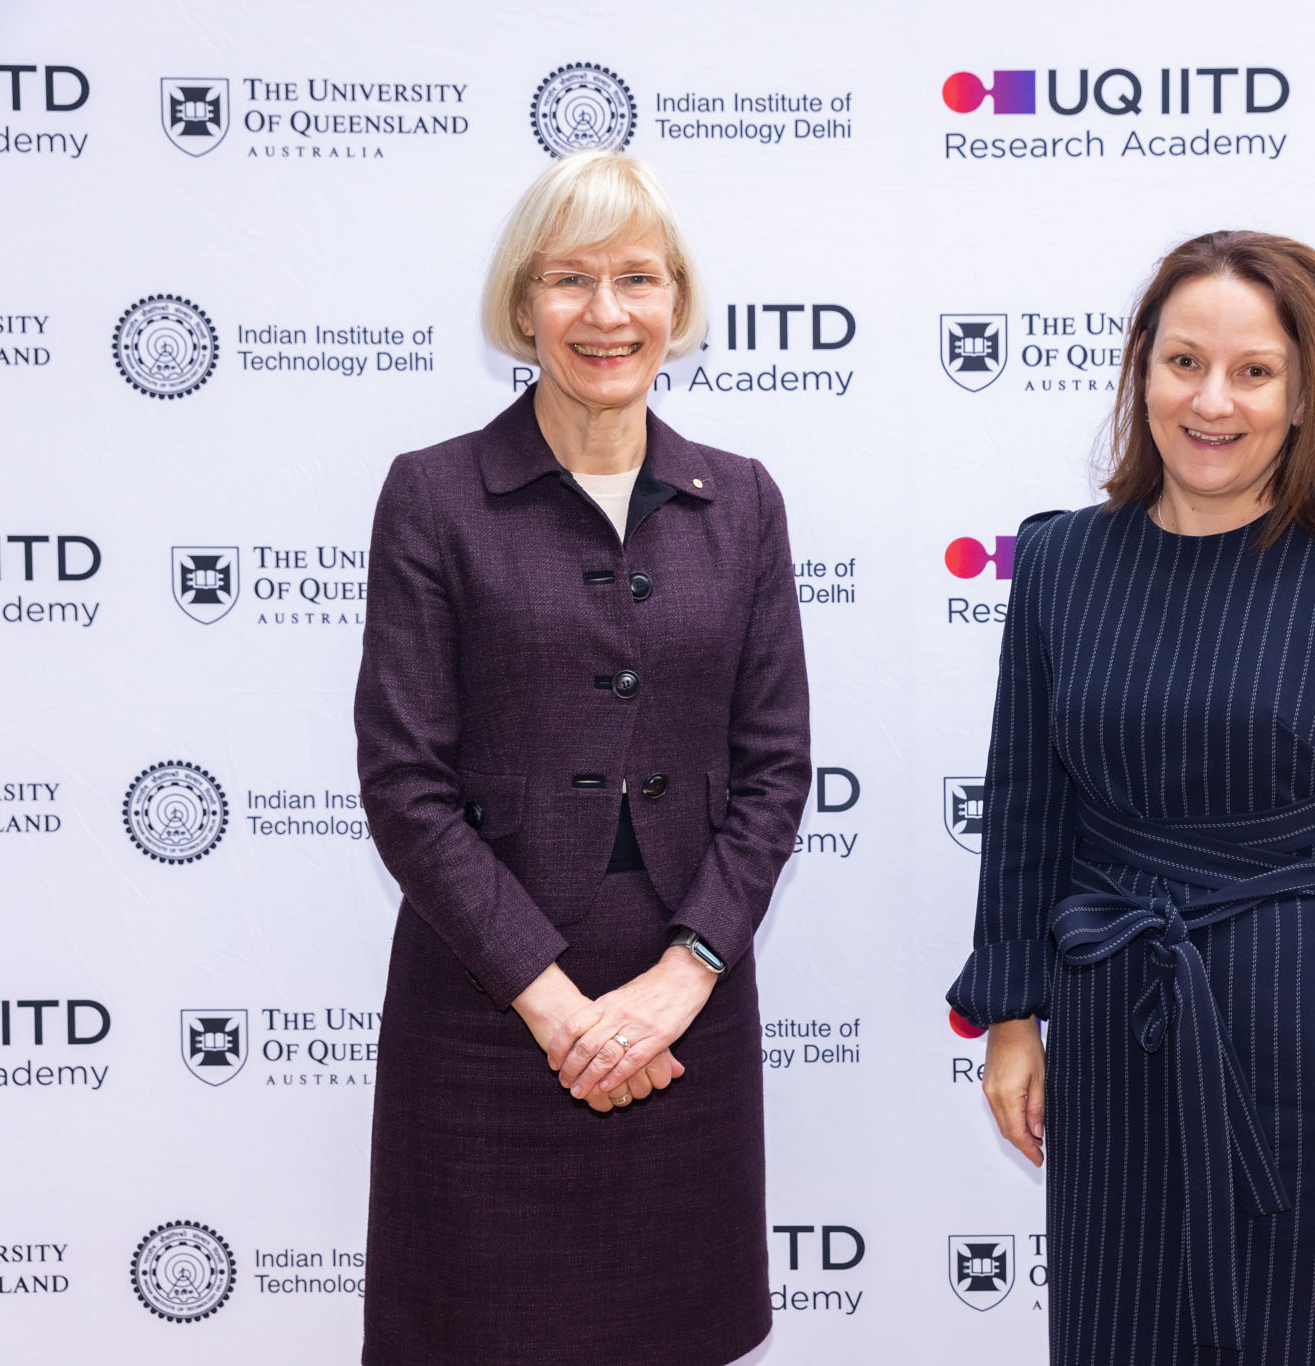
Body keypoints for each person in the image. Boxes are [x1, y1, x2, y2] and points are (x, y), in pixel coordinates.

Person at [950, 231, 1315, 1364]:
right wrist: (1011, 1014)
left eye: (1253, 372)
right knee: (1116, 1334)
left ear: (1305, 396)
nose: (1211, 401)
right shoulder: (1058, 562)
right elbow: (1024, 805)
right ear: (1139, 370)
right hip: (1112, 1017)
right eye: (1182, 361)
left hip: (1307, 1033)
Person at [355, 150, 810, 1366]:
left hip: (685, 1018)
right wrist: (557, 1013)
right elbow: (405, 785)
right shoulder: (434, 496)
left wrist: (681, 977)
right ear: (522, 302)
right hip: (488, 1017)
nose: (605, 315)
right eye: (570, 280)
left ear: (678, 302)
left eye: (636, 279)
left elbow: (773, 772)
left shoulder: (746, 503)